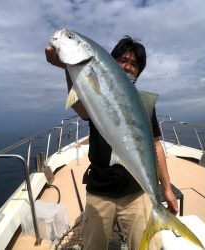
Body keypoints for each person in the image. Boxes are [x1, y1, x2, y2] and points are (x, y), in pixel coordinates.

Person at [45, 36, 178, 250]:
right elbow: (81, 109)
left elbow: (155, 146)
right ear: (112, 62)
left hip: (135, 190)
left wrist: (167, 189)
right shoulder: (97, 91)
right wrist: (67, 68)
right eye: (124, 60)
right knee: (93, 246)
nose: (128, 67)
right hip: (100, 190)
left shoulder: (142, 104)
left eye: (134, 64)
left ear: (139, 72)